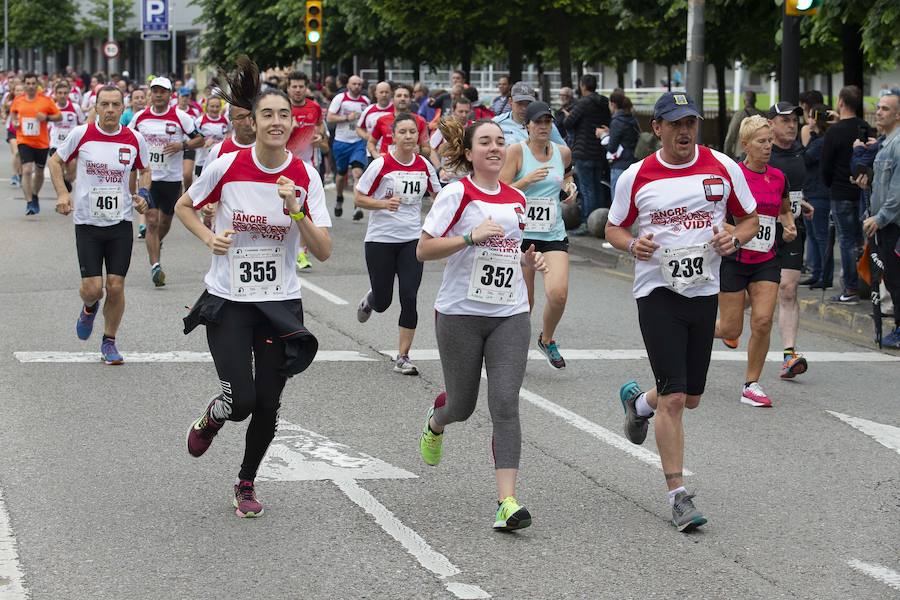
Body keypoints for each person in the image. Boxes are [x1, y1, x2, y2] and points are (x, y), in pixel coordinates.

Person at [177, 57, 333, 519]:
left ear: (292, 122)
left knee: (268, 401)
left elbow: (323, 251)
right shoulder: (227, 165)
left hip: (279, 302)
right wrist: (210, 238)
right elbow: (187, 206)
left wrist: (297, 209)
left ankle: (246, 482)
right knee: (240, 400)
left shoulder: (305, 177)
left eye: (284, 115)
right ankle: (215, 414)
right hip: (228, 298)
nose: (277, 122)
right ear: (254, 121)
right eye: (268, 114)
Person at [605, 92, 759, 531]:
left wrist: (736, 237)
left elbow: (750, 218)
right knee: (674, 397)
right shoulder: (637, 176)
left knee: (689, 397)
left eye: (690, 121)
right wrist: (633, 244)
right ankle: (678, 496)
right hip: (657, 291)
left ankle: (638, 403)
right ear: (658, 128)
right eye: (674, 123)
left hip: (703, 290)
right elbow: (615, 226)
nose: (684, 130)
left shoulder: (723, 166)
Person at [418, 117, 548, 530]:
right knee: (463, 404)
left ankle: (506, 502)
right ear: (470, 153)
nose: (494, 148)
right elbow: (424, 249)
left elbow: (512, 249)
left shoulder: (515, 198)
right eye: (485, 143)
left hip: (510, 313)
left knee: (505, 404)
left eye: (500, 142)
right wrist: (469, 238)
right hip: (460, 314)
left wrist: (529, 259)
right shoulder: (457, 193)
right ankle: (437, 421)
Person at [48, 85, 150, 365]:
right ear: (95, 107)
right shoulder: (82, 134)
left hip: (120, 222)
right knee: (93, 288)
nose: (109, 110)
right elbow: (55, 162)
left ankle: (109, 341)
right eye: (104, 105)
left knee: (116, 286)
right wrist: (62, 193)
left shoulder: (134, 138)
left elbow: (145, 169)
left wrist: (142, 194)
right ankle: (90, 307)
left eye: (115, 105)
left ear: (122, 107)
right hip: (87, 222)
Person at [716, 116, 796, 407]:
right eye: (762, 141)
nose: (768, 147)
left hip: (767, 259)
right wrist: (737, 233)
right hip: (735, 259)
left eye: (770, 141)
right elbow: (715, 219)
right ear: (746, 144)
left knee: (762, 321)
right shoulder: (732, 175)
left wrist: (788, 226)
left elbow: (784, 210)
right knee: (730, 330)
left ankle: (751, 384)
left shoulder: (778, 177)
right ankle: (691, 333)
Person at [355, 113, 441, 375]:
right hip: (380, 240)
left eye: (412, 132)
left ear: (418, 136)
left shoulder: (424, 165)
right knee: (384, 300)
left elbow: (438, 195)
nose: (408, 136)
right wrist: (383, 204)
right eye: (402, 132)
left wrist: (438, 220)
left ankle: (403, 356)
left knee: (410, 296)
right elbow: (359, 198)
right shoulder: (382, 164)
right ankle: (371, 300)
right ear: (394, 135)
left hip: (411, 240)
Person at [500, 101, 576, 369]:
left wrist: (569, 190)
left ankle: (547, 338)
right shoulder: (516, 152)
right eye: (538, 122)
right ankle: (512, 348)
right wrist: (526, 181)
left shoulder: (562, 152)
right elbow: (502, 190)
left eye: (548, 122)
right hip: (521, 235)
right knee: (525, 300)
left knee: (558, 294)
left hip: (552, 233)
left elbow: (566, 179)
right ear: (527, 126)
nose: (543, 126)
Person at [129, 76, 205, 287]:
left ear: (170, 94)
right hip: (149, 179)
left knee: (164, 223)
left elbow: (200, 139)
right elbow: (128, 138)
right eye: (155, 91)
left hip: (171, 180)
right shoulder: (139, 117)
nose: (159, 95)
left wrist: (182, 145)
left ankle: (156, 243)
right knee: (152, 221)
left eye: (163, 91)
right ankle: (156, 266)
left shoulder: (181, 117)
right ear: (150, 94)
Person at [767, 101, 814, 379]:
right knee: (753, 295)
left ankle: (789, 354)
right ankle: (725, 326)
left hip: (792, 230)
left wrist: (800, 204)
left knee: (788, 288)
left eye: (795, 120)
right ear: (771, 123)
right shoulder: (761, 152)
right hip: (762, 233)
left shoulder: (800, 153)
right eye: (785, 120)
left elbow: (790, 192)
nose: (792, 125)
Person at [822, 85, 872, 304]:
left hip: (840, 192)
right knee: (862, 240)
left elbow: (826, 165)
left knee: (845, 241)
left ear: (841, 102)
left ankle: (850, 288)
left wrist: (830, 185)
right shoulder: (865, 127)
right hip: (862, 192)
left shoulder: (834, 131)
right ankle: (867, 284)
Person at [858, 91, 900, 348]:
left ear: (897, 115)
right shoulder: (885, 143)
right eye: (879, 107)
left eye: (885, 108)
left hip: (893, 225)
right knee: (892, 279)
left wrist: (880, 218)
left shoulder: (897, 144)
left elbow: (897, 191)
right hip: (885, 224)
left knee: (896, 279)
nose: (879, 112)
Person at [563, 74, 611, 234]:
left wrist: (568, 116)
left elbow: (568, 123)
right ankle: (597, 222)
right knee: (596, 186)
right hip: (599, 150)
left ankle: (586, 223)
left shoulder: (583, 103)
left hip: (583, 151)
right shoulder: (604, 102)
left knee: (586, 188)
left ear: (583, 86)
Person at [11, 72, 62, 215]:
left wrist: (46, 117)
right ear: (24, 84)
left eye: (33, 83)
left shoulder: (45, 100)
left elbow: (59, 116)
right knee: (27, 170)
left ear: (37, 85)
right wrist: (15, 121)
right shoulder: (19, 100)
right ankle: (29, 203)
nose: (31, 86)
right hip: (24, 140)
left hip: (41, 143)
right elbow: (13, 112)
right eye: (28, 84)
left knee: (39, 172)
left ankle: (34, 195)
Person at [801, 103, 834, 289]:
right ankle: (817, 272)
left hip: (819, 192)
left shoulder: (824, 141)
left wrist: (812, 132)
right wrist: (812, 132)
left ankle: (824, 275)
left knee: (820, 236)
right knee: (814, 235)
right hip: (813, 190)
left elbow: (806, 157)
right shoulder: (820, 139)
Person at [327, 75, 370, 220]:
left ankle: (357, 206)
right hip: (341, 142)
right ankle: (339, 198)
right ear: (348, 85)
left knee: (357, 173)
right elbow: (330, 117)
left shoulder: (366, 102)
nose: (357, 86)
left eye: (359, 84)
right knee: (341, 175)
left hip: (358, 142)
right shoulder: (340, 98)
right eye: (354, 84)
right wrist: (347, 118)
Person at [494, 82, 566, 147]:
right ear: (510, 102)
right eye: (520, 103)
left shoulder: (545, 124)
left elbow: (563, 151)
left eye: (528, 103)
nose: (524, 108)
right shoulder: (497, 123)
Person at [367, 85, 429, 160]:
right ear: (392, 99)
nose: (402, 98)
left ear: (410, 100)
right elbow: (371, 142)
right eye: (399, 96)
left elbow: (427, 150)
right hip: (387, 164)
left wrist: (420, 150)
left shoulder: (420, 120)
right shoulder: (382, 120)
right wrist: (375, 154)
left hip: (410, 165)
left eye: (406, 96)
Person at [48, 80, 85, 192]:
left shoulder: (75, 108)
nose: (62, 95)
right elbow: (48, 126)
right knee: (60, 165)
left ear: (68, 93)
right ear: (55, 94)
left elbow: (82, 123)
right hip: (56, 143)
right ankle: (63, 192)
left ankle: (65, 182)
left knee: (72, 170)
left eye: (65, 93)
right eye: (60, 93)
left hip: (71, 143)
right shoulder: (52, 107)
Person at [603, 90, 640, 198]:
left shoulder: (617, 121)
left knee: (617, 198)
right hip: (632, 161)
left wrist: (603, 136)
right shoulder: (631, 119)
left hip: (620, 164)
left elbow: (612, 148)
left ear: (613, 104)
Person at [429, 97, 471, 185]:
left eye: (466, 112)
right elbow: (431, 150)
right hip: (448, 180)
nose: (464, 115)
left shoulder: (474, 128)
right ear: (453, 111)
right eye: (460, 111)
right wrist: (440, 169)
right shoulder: (445, 128)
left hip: (468, 179)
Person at [193, 95, 229, 179]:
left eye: (217, 106)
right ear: (207, 107)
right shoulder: (199, 121)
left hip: (220, 161)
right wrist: (204, 142)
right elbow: (193, 141)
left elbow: (229, 136)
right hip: (202, 161)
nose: (215, 109)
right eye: (212, 106)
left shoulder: (226, 120)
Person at [724, 91, 763, 159]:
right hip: (758, 153)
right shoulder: (761, 115)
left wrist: (727, 154)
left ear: (744, 101)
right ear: (755, 100)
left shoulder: (738, 115)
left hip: (741, 153)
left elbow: (731, 136)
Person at [4, 81, 23, 188]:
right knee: (16, 153)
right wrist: (4, 114)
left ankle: (20, 175)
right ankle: (14, 175)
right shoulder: (10, 103)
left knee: (20, 155)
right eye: (17, 90)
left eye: (21, 90)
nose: (19, 92)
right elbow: (3, 111)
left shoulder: (28, 102)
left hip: (24, 133)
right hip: (12, 131)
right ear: (14, 92)